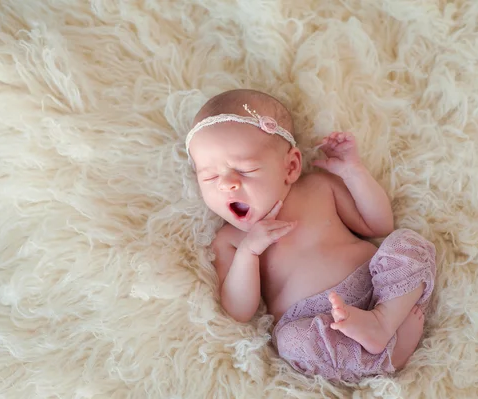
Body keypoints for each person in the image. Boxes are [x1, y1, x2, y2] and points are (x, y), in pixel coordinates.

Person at [185, 89, 436, 382]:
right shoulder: (231, 240)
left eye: (245, 169)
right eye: (210, 177)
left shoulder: (318, 187)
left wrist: (353, 172)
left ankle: (386, 320)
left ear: (290, 167)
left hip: (375, 283)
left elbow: (378, 225)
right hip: (317, 320)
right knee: (290, 342)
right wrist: (249, 252)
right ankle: (387, 354)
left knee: (407, 242)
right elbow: (238, 310)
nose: (227, 184)